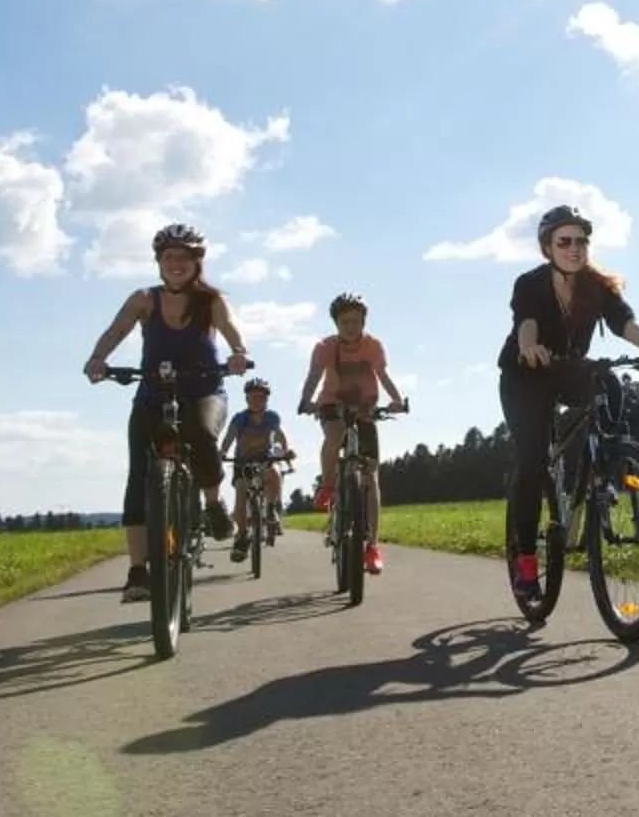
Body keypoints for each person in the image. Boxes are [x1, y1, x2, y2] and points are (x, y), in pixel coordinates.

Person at [496, 205, 639, 602]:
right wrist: (529, 347)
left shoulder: (598, 285)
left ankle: (607, 468)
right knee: (531, 463)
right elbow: (526, 322)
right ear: (548, 247)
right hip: (525, 376)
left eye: (581, 241)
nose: (575, 248)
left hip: (569, 370)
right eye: (565, 241)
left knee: (609, 385)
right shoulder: (530, 284)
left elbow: (623, 322)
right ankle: (525, 561)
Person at [81, 222, 250, 597]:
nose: (176, 264)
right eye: (169, 257)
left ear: (196, 263)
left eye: (184, 257)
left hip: (205, 390)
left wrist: (239, 352)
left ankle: (213, 504)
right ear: (159, 262)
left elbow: (231, 327)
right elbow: (117, 329)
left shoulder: (211, 300)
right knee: (139, 475)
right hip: (153, 396)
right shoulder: (144, 299)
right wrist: (98, 357)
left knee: (204, 435)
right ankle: (138, 571)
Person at [298, 291, 407, 576]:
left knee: (370, 475)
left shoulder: (373, 346)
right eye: (344, 321)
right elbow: (313, 376)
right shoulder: (325, 347)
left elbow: (383, 375)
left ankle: (372, 545)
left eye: (356, 321)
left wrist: (397, 400)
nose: (350, 326)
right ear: (336, 323)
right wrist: (305, 400)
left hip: (366, 408)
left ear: (363, 321)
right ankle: (328, 485)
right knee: (334, 435)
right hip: (333, 405)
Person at [218, 377, 295, 555]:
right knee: (240, 494)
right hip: (242, 461)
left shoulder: (271, 417)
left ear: (267, 400)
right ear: (246, 399)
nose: (257, 401)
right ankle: (242, 537)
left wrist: (287, 451)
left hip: (264, 459)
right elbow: (229, 438)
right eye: (253, 397)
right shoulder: (240, 419)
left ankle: (270, 510)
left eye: (261, 397)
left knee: (275, 472)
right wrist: (222, 453)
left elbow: (280, 436)